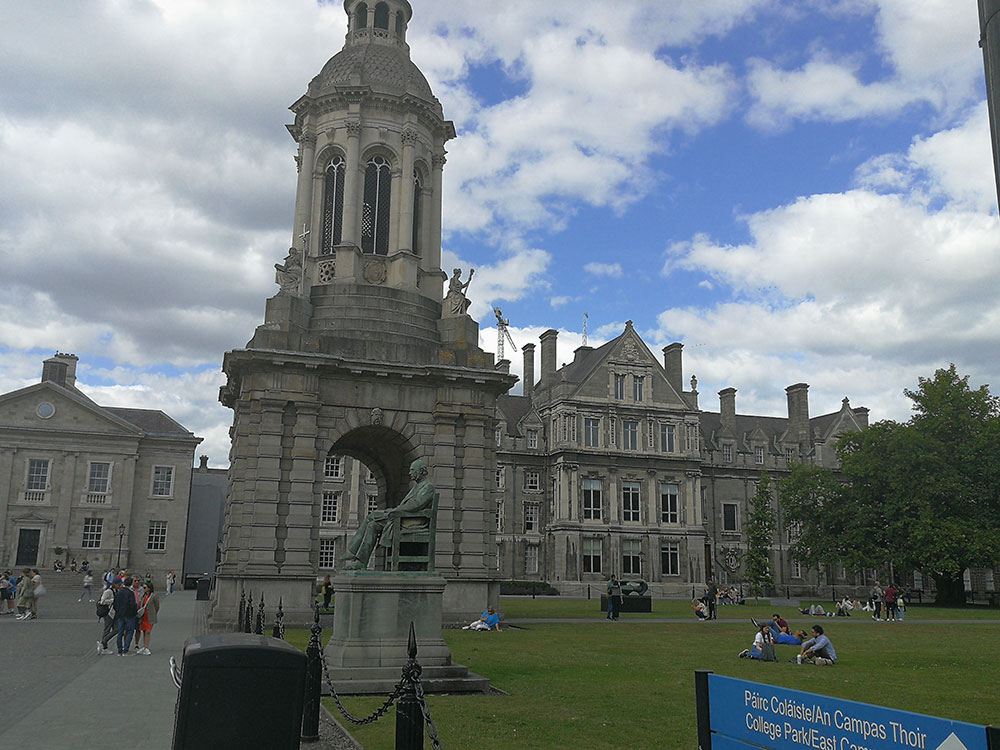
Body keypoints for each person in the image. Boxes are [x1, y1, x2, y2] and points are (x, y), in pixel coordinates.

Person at [341, 458, 436, 569]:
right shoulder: (416, 488)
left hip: (413, 522)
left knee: (371, 517)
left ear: (421, 471)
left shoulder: (428, 487)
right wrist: (394, 510)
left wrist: (394, 510)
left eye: (412, 470)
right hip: (404, 517)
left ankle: (352, 552)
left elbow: (416, 505)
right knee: (372, 524)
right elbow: (408, 506)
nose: (410, 473)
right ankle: (361, 562)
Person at [114, 575, 139, 655]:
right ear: (131, 584)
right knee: (130, 631)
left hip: (120, 615)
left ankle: (119, 650)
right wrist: (135, 613)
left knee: (120, 632)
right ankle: (126, 649)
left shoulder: (118, 593)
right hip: (129, 615)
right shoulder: (130, 593)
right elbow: (133, 604)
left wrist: (118, 612)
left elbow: (115, 604)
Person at [136, 581, 161, 655]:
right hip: (143, 616)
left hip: (150, 616)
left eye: (145, 588)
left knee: (148, 631)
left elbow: (157, 606)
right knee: (144, 631)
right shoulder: (143, 596)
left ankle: (146, 647)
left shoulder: (154, 596)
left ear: (149, 589)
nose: (143, 589)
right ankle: (144, 646)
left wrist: (154, 613)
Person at [97, 579, 120, 654]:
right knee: (107, 629)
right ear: (114, 584)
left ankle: (103, 642)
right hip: (108, 613)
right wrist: (113, 600)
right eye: (118, 584)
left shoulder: (116, 591)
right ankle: (104, 647)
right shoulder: (108, 591)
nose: (119, 586)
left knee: (116, 629)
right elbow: (102, 601)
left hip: (115, 613)